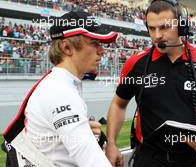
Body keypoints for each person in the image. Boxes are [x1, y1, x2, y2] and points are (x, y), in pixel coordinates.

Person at [106, 0, 196, 167]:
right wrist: (112, 144)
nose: (157, 35)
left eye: (165, 27)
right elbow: (118, 104)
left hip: (193, 160)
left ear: (182, 27)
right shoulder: (136, 64)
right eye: (152, 29)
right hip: (148, 159)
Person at [3, 11, 118, 167]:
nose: (102, 50)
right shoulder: (61, 91)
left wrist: (79, 131)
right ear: (67, 48)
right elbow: (93, 162)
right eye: (94, 43)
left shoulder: (60, 83)